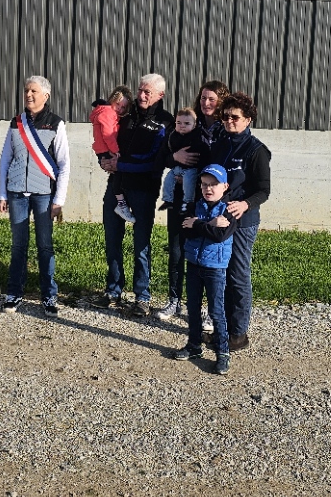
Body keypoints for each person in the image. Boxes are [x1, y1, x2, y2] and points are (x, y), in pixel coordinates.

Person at [99, 73, 173, 316]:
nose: (141, 95)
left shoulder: (165, 122)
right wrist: (104, 160)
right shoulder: (126, 115)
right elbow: (105, 137)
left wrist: (121, 166)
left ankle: (142, 297)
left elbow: (155, 163)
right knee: (112, 240)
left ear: (160, 95)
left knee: (141, 244)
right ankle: (113, 290)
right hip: (116, 186)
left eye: (147, 92)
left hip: (143, 190)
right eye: (140, 90)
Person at [0, 75, 71, 315]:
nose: (29, 95)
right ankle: (14, 293)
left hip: (44, 195)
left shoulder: (56, 123)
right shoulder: (15, 123)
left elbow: (64, 164)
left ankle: (49, 296)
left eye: (34, 91)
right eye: (26, 91)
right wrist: (2, 193)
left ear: (45, 96)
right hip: (17, 192)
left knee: (45, 246)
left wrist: (58, 200)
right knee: (19, 246)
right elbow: (5, 160)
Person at [157, 81, 228, 324]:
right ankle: (174, 299)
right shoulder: (184, 123)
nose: (206, 103)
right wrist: (174, 157)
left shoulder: (224, 129)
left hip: (208, 201)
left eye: (212, 99)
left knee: (207, 255)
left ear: (220, 102)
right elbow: (163, 155)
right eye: (203, 99)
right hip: (181, 199)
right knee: (176, 250)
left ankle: (209, 308)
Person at [209, 92, 271, 351]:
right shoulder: (221, 143)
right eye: (225, 117)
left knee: (238, 275)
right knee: (220, 273)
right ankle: (223, 328)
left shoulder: (256, 150)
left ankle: (239, 333)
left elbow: (263, 191)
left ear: (248, 120)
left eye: (235, 117)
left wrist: (245, 203)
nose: (229, 121)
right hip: (220, 217)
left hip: (243, 221)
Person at [172, 164, 242, 375]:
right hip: (194, 264)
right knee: (193, 308)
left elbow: (220, 236)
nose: (208, 189)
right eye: (204, 184)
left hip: (215, 268)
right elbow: (184, 230)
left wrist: (198, 224)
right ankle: (194, 346)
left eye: (214, 184)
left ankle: (222, 352)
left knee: (216, 311)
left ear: (225, 186)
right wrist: (209, 222)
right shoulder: (194, 206)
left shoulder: (229, 211)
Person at [89, 85, 135, 224]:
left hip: (104, 149)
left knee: (117, 175)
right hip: (107, 149)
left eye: (123, 107)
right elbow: (108, 135)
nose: (120, 109)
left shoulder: (107, 112)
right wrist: (115, 151)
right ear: (111, 100)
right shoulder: (108, 113)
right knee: (118, 175)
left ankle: (121, 203)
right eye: (118, 105)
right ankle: (121, 204)